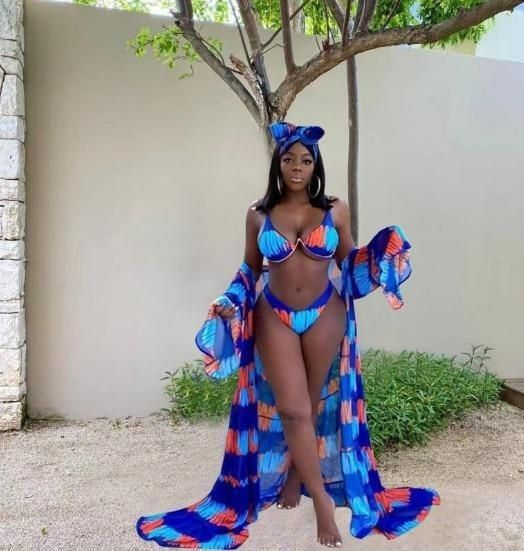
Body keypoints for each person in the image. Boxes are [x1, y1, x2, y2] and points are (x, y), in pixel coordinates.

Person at [136, 122, 441, 549]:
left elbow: (349, 262)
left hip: (325, 313)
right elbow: (248, 268)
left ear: (316, 166)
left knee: (313, 403)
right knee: (294, 409)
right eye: (288, 159)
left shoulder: (335, 210)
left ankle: (298, 473)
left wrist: (381, 253)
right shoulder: (258, 213)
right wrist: (229, 300)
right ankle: (322, 503)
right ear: (277, 165)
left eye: (305, 159)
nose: (297, 167)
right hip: (273, 314)